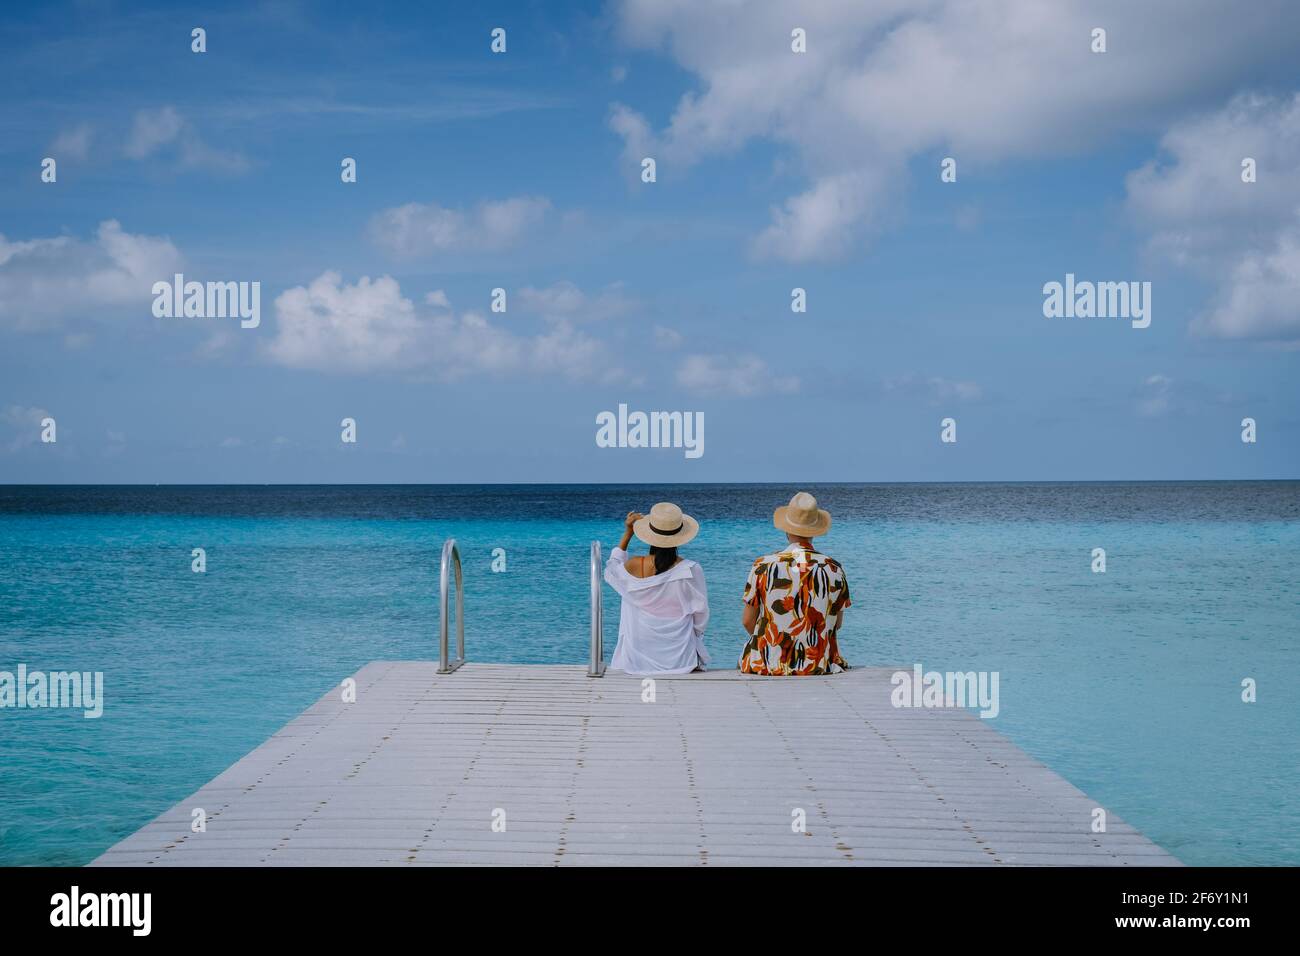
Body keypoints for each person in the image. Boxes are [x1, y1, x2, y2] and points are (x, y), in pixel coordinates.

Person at [739, 491, 851, 676]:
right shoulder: (833, 568)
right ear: (815, 531)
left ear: (786, 529)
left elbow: (747, 621)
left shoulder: (763, 566)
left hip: (767, 663)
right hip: (817, 664)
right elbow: (836, 624)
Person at [604, 502, 710, 675]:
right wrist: (695, 638)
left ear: (649, 534)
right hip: (679, 657)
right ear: (680, 536)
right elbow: (701, 615)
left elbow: (611, 569)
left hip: (637, 656)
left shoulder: (632, 565)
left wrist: (628, 533)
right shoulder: (691, 569)